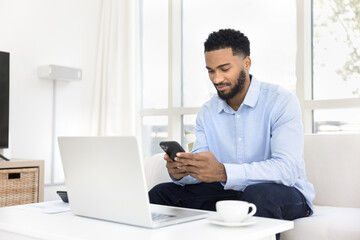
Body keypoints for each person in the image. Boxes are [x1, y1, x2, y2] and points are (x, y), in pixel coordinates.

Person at [149, 29, 314, 231]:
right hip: (229, 192)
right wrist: (183, 171)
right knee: (160, 194)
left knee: (257, 195)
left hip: (285, 193)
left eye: (224, 69)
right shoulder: (207, 112)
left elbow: (287, 170)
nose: (217, 79)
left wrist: (223, 172)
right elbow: (205, 169)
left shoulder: (281, 101)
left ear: (246, 63)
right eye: (211, 71)